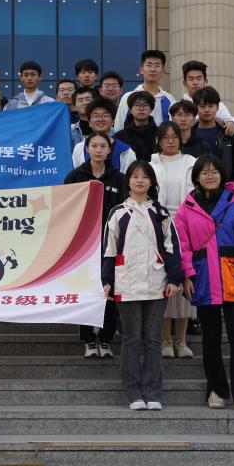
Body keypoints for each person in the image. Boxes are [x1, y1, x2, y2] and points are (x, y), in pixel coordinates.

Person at [173, 154, 234, 413]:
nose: (209, 176)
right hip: (204, 277)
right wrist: (187, 275)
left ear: (222, 175)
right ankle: (217, 390)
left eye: (214, 171)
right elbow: (182, 245)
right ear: (196, 177)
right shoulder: (186, 208)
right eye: (204, 172)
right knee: (210, 338)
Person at [102, 161, 184, 411]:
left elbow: (172, 248)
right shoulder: (118, 213)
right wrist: (107, 281)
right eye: (135, 176)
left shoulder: (161, 213)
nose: (140, 180)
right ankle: (133, 393)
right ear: (127, 181)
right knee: (131, 339)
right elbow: (108, 250)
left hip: (156, 282)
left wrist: (174, 279)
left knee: (152, 339)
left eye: (145, 177)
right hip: (125, 282)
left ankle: (153, 392)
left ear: (151, 182)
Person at [64, 132, 126, 358]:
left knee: (108, 287)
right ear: (87, 149)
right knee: (87, 289)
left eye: (103, 146)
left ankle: (106, 338)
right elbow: (65, 207)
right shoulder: (75, 176)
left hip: (111, 241)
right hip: (83, 243)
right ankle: (89, 338)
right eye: (94, 146)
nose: (98, 150)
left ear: (109, 150)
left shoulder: (119, 178)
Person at [150, 122, 197, 359]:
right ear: (158, 141)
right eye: (165, 137)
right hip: (158, 225)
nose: (170, 141)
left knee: (186, 279)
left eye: (174, 137)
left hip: (187, 224)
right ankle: (165, 340)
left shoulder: (192, 163)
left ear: (181, 139)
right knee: (164, 281)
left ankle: (181, 340)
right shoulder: (151, 165)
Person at [71, 98, 137, 172]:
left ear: (113, 121)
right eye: (96, 116)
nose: (100, 119)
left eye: (105, 116)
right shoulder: (79, 149)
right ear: (89, 122)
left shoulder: (126, 152)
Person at [115, 51, 176, 129]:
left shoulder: (170, 99)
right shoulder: (128, 97)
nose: (153, 69)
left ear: (163, 71)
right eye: (149, 65)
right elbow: (119, 128)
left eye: (157, 65)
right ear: (141, 70)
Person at [191, 87, 234, 182]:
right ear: (195, 107)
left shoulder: (228, 133)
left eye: (211, 106)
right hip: (196, 187)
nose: (207, 110)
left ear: (217, 107)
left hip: (226, 187)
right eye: (202, 106)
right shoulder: (189, 135)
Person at [181, 61, 234, 135]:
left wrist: (233, 122)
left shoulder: (219, 105)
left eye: (199, 79)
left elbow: (230, 121)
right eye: (191, 79)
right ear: (184, 83)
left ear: (206, 81)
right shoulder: (177, 106)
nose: (195, 82)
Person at [115, 91, 158, 161]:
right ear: (130, 110)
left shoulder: (159, 134)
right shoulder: (120, 136)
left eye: (145, 105)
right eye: (137, 105)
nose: (141, 108)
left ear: (151, 110)